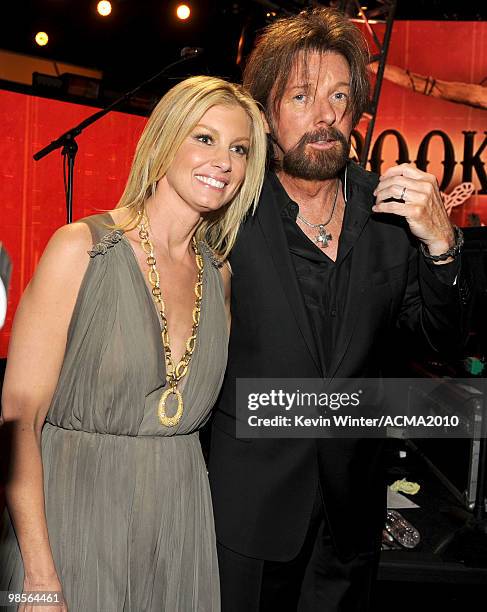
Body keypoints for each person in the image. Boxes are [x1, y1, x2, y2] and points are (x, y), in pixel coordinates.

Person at [208, 8, 471, 612]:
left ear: (356, 113)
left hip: (350, 520)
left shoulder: (391, 218)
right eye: (301, 96)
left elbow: (442, 343)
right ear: (267, 116)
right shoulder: (226, 216)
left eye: (339, 96)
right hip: (245, 513)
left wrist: (441, 244)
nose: (324, 115)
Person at [0, 75, 266, 611]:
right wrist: (38, 573)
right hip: (71, 518)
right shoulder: (81, 249)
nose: (224, 161)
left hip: (178, 528)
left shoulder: (220, 276)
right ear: (164, 140)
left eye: (239, 149)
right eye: (204, 138)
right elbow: (18, 417)